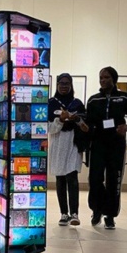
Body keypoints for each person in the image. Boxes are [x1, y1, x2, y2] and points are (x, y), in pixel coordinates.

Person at [86, 66, 127, 229]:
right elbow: (89, 122)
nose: (103, 80)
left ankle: (110, 215)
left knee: (113, 180)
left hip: (116, 145)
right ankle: (97, 210)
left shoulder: (124, 98)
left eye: (106, 77)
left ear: (114, 79)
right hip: (97, 144)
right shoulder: (93, 100)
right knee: (95, 179)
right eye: (101, 78)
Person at [48, 73, 89, 227]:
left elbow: (85, 124)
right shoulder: (51, 103)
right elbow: (48, 128)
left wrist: (75, 119)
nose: (64, 86)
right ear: (57, 85)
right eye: (61, 83)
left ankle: (74, 214)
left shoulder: (77, 103)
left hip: (73, 142)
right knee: (60, 178)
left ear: (71, 85)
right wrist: (60, 119)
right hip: (58, 142)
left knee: (72, 176)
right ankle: (63, 214)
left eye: (67, 83)